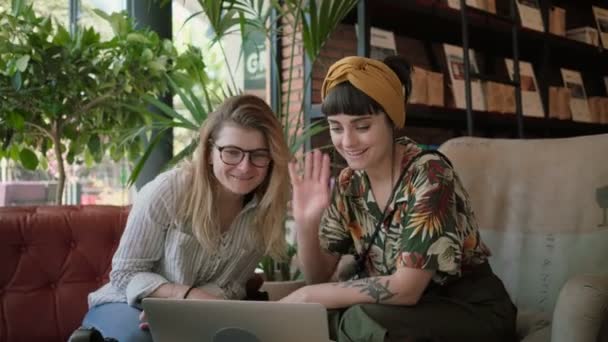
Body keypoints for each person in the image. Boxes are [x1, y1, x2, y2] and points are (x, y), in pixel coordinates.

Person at [282, 56, 518, 342]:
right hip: (405, 312)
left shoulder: (430, 172)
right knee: (327, 317)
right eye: (336, 127)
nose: (347, 142)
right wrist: (307, 222)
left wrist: (308, 296)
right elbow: (318, 279)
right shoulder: (349, 183)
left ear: (391, 119)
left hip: (469, 310)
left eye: (362, 126)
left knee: (357, 318)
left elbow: (407, 289)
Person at [82, 94, 290, 342]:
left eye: (258, 155)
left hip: (200, 310)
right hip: (126, 304)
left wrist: (186, 308)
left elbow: (234, 286)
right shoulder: (170, 190)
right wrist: (181, 297)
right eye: (232, 152)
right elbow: (125, 274)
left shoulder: (266, 209)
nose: (245, 167)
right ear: (209, 151)